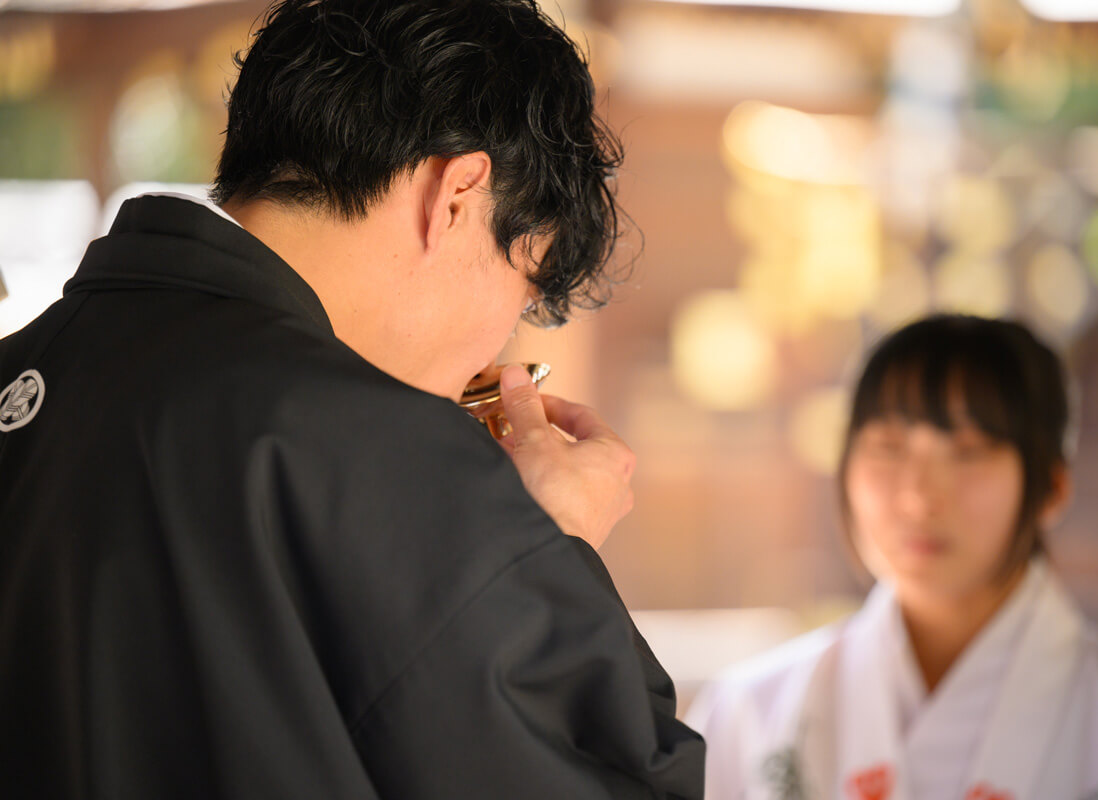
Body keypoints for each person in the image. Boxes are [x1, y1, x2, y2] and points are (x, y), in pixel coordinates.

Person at [0, 1, 704, 797]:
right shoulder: (388, 456)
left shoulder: (25, 369)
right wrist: (550, 550)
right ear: (460, 195)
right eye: (521, 291)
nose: (496, 350)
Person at [685, 314, 1098, 800]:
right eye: (888, 447)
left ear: (1051, 487)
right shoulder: (749, 713)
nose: (918, 497)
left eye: (969, 451)